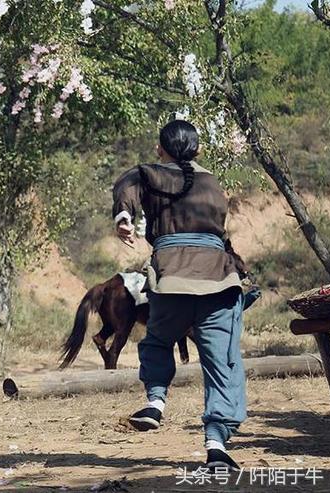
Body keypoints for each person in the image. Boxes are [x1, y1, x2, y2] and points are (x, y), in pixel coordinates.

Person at [112, 120, 246, 472]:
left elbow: (128, 181)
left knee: (157, 341)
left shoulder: (151, 174)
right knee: (222, 364)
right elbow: (219, 236)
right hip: (219, 281)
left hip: (171, 280)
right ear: (198, 150)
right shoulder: (214, 184)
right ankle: (216, 445)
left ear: (161, 149)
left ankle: (156, 402)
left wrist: (124, 216)